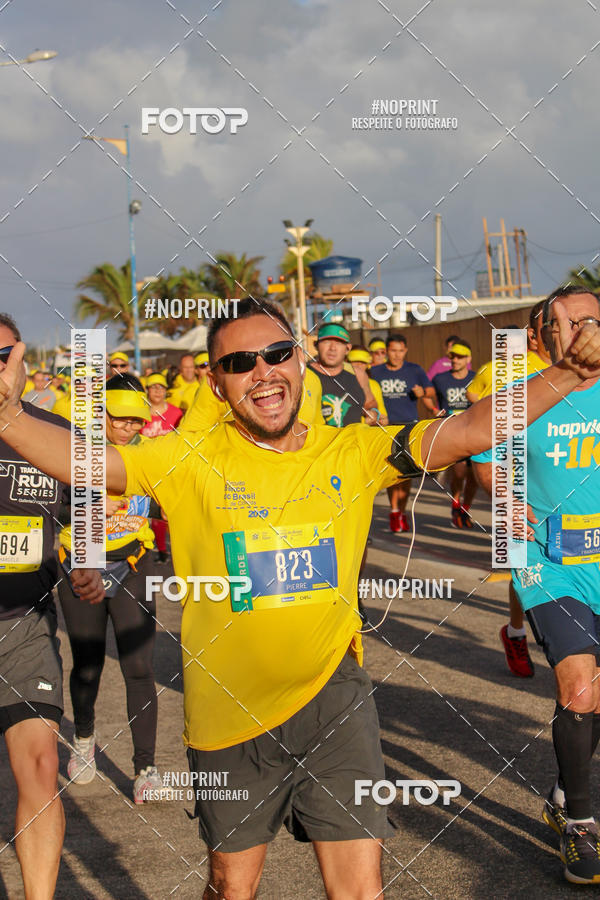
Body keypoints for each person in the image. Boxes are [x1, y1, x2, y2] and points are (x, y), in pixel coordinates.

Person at [0, 297, 598, 898]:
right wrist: (6, 417)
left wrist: (571, 373)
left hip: (334, 698)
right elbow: (88, 463)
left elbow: (467, 429)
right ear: (215, 381)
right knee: (232, 886)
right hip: (228, 721)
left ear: (301, 363)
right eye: (240, 362)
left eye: (278, 353)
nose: (263, 372)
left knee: (361, 889)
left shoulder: (354, 450)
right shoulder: (186, 459)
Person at [472, 286, 600, 884]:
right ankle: (581, 825)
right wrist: (505, 490)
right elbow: (479, 453)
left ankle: (561, 789)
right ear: (542, 335)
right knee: (577, 683)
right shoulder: (518, 393)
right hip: (547, 558)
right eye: (564, 322)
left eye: (590, 319)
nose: (577, 329)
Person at [0, 314, 103, 900]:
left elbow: (84, 505)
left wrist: (84, 564)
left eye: (2, 356)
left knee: (39, 768)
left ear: (21, 359)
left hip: (25, 626)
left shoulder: (53, 431)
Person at [56, 375, 164, 804]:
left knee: (139, 668)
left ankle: (146, 768)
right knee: (87, 664)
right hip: (81, 565)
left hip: (134, 563)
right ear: (101, 415)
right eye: (120, 419)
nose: (129, 428)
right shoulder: (72, 451)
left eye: (137, 421)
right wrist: (86, 506)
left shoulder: (151, 456)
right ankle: (84, 740)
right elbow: (51, 503)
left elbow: (168, 502)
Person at [472, 301, 551, 677]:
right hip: (513, 472)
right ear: (532, 334)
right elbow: (474, 402)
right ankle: (517, 633)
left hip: (559, 472)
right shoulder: (499, 370)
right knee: (520, 558)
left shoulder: (572, 371)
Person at [370, 333, 437, 533]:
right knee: (392, 473)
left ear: (405, 351)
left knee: (406, 475)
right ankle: (394, 511)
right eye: (392, 351)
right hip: (386, 427)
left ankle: (402, 511)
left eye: (400, 351)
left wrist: (422, 393)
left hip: (409, 426)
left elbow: (431, 391)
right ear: (386, 351)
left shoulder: (414, 370)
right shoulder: (375, 371)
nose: (397, 355)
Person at [432, 342, 477, 527]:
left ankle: (465, 508)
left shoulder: (477, 378)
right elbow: (428, 394)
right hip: (453, 433)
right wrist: (434, 409)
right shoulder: (440, 379)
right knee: (459, 473)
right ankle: (456, 504)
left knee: (475, 475)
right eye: (452, 356)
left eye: (460, 357)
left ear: (468, 359)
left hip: (475, 431)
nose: (455, 360)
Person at [141, 373, 184, 563]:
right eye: (153, 387)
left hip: (173, 471)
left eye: (161, 387)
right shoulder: (140, 414)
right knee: (155, 513)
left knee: (175, 514)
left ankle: (181, 551)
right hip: (148, 471)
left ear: (166, 390)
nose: (157, 391)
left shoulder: (177, 414)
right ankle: (162, 551)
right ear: (147, 390)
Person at [309, 323, 376, 427]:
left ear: (348, 348)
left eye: (339, 343)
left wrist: (373, 412)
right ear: (316, 345)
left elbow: (370, 403)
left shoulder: (358, 373)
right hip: (319, 442)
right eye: (326, 342)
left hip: (354, 441)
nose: (332, 348)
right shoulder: (304, 375)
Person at [347, 348, 388, 425]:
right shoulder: (339, 382)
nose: (358, 365)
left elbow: (382, 415)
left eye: (362, 362)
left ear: (368, 365)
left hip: (368, 433)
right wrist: (364, 422)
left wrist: (379, 418)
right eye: (355, 361)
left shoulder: (374, 384)